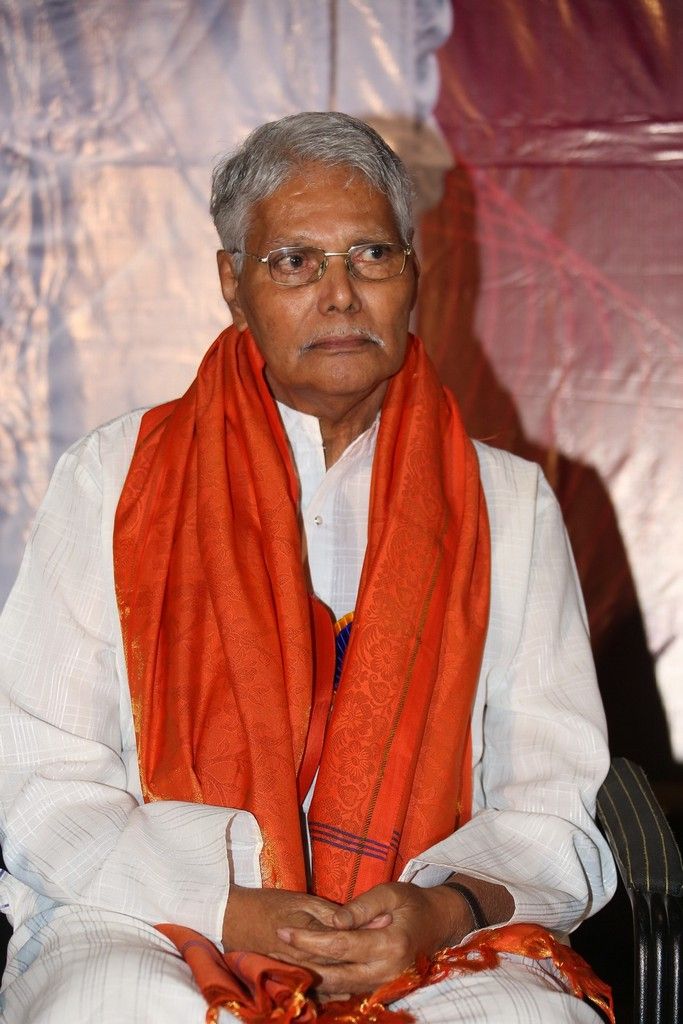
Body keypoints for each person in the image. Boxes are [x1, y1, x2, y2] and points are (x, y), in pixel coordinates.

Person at [0, 112, 616, 1024]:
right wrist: (228, 906)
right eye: (294, 261)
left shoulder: (506, 503)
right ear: (232, 283)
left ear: (412, 273)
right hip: (150, 912)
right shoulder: (115, 478)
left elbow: (548, 804)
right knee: (115, 1005)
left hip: (422, 927)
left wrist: (442, 910)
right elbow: (42, 780)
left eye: (371, 255)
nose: (339, 295)